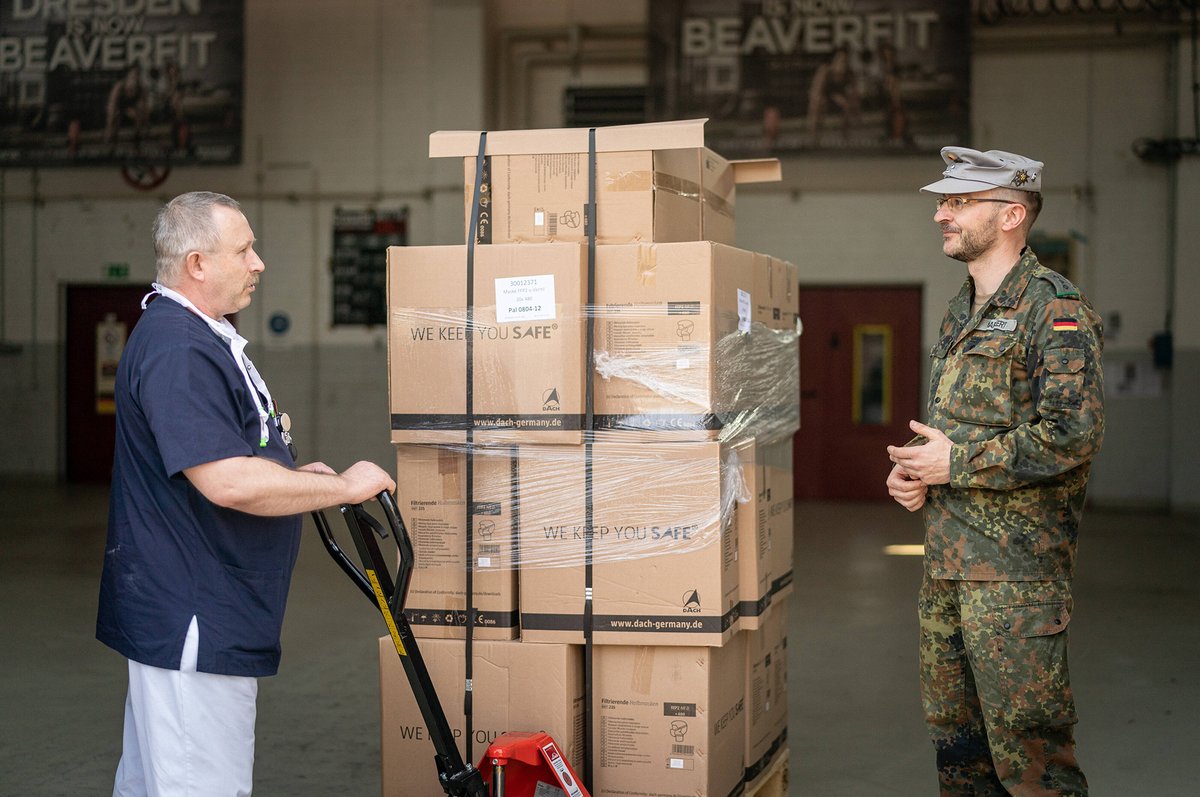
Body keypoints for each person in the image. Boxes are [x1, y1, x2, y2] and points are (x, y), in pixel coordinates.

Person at [96, 191, 396, 795]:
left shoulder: (198, 337)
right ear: (198, 263)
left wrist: (296, 480)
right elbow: (226, 480)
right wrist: (343, 486)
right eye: (244, 249)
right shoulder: (179, 348)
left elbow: (238, 454)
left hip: (199, 612)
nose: (258, 262)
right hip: (196, 620)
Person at [885, 148, 1104, 795]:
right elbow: (961, 431)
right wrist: (920, 475)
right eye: (943, 202)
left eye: (956, 203)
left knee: (1035, 769)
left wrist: (958, 461)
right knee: (961, 762)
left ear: (1011, 213)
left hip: (1015, 583)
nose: (940, 215)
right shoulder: (960, 311)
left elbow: (1072, 434)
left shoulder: (1053, 308)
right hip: (948, 573)